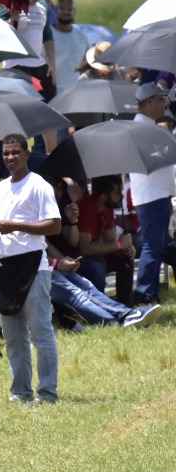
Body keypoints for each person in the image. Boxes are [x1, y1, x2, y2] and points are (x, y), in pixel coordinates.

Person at [0, 136, 61, 405]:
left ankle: (48, 393)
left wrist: (16, 226)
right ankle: (20, 391)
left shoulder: (38, 185)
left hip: (33, 264)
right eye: (6, 153)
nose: (10, 158)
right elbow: (3, 226)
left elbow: (54, 225)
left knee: (40, 332)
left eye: (16, 152)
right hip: (5, 264)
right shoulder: (0, 187)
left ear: (27, 154)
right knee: (14, 336)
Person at [128, 84, 176, 305]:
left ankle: (148, 292)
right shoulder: (142, 129)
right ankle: (145, 294)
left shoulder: (148, 127)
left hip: (157, 194)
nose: (164, 103)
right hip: (151, 196)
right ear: (147, 101)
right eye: (159, 99)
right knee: (153, 245)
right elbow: (154, 159)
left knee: (160, 244)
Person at [75, 175, 135, 308]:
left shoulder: (107, 209)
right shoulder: (86, 207)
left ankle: (127, 306)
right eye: (117, 193)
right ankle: (100, 308)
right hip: (73, 257)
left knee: (125, 258)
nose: (122, 196)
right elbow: (84, 249)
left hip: (91, 254)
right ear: (103, 197)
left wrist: (125, 249)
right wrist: (119, 245)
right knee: (97, 265)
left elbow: (110, 240)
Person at [0, 0, 57, 102]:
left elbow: (47, 35)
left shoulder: (42, 6)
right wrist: (12, 21)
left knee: (49, 99)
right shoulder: (10, 4)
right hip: (16, 65)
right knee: (19, 103)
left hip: (38, 65)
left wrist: (52, 64)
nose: (36, 0)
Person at [51, 0, 91, 89]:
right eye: (62, 9)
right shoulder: (47, 34)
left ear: (74, 12)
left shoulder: (81, 35)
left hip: (75, 89)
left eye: (69, 9)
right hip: (52, 89)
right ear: (56, 11)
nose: (66, 12)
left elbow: (89, 58)